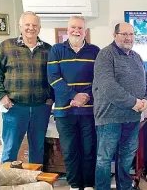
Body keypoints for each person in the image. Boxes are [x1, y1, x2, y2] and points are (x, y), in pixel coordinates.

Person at [93, 22, 147, 190]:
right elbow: (108, 87)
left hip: (132, 117)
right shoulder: (105, 55)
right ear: (115, 35)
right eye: (124, 34)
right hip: (109, 117)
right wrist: (134, 103)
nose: (128, 38)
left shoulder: (137, 57)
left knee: (126, 158)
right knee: (104, 159)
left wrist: (146, 101)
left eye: (131, 34)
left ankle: (124, 187)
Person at [47, 16, 99, 190]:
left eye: (80, 28)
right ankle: (75, 185)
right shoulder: (56, 50)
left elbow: (99, 79)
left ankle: (89, 185)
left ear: (85, 31)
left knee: (89, 150)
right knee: (69, 152)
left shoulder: (95, 51)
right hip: (64, 111)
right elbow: (53, 77)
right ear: (67, 29)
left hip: (88, 110)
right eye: (73, 27)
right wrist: (73, 96)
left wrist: (84, 96)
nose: (76, 31)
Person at [0, 11, 53, 164]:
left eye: (35, 25)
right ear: (20, 26)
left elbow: (56, 76)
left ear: (39, 28)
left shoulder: (49, 50)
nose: (31, 28)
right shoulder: (6, 47)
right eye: (27, 24)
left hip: (41, 108)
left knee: (38, 148)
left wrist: (51, 98)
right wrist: (1, 95)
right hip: (14, 107)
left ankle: (36, 184)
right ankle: (6, 185)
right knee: (10, 149)